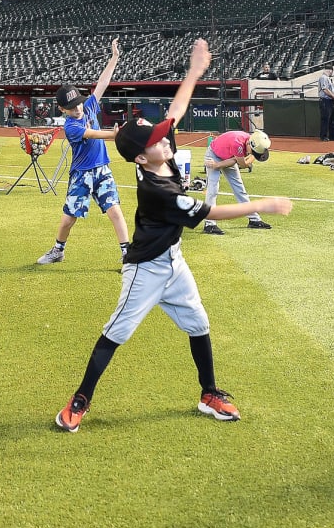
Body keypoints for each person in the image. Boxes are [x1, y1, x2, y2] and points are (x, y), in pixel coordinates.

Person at [53, 39, 292, 432]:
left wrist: (194, 71)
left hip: (174, 263)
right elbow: (212, 212)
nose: (165, 138)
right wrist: (261, 205)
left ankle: (209, 393)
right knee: (116, 333)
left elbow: (176, 112)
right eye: (155, 140)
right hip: (145, 271)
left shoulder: (158, 154)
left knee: (199, 323)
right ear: (142, 157)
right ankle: (80, 400)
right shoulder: (155, 189)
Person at [37, 39, 130, 264]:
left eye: (78, 103)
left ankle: (128, 255)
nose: (78, 108)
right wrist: (114, 134)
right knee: (69, 219)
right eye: (71, 107)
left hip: (102, 170)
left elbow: (102, 84)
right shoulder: (71, 126)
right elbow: (91, 134)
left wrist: (114, 57)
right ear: (62, 109)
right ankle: (58, 250)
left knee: (115, 211)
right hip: (81, 175)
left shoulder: (88, 107)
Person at [200, 128, 273, 234]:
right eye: (253, 152)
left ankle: (254, 219)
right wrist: (216, 165)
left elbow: (237, 161)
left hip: (228, 157)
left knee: (240, 188)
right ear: (250, 144)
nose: (253, 154)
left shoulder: (251, 141)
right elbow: (242, 164)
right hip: (213, 155)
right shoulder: (237, 144)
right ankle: (209, 224)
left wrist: (220, 165)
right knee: (213, 189)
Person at [317, 64, 334, 141]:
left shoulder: (328, 78)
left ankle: (332, 136)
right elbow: (325, 89)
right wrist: (333, 96)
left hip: (330, 100)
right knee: (325, 119)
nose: (332, 72)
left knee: (333, 119)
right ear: (330, 70)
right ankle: (324, 136)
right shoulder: (323, 77)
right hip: (325, 100)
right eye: (332, 71)